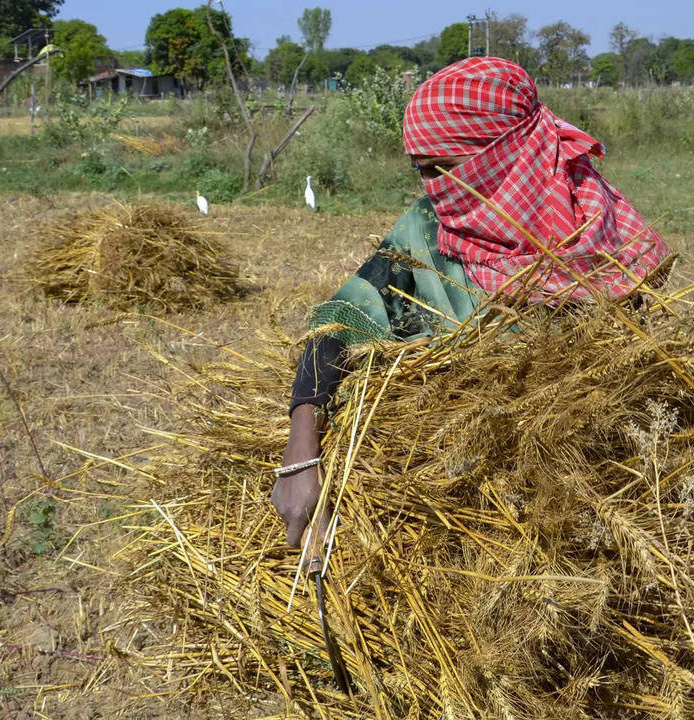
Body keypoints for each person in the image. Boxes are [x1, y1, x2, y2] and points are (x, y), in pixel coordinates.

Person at [271, 57, 671, 547]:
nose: (437, 189)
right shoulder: (427, 228)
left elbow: (628, 390)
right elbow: (341, 321)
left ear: (507, 154)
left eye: (447, 168)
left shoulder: (606, 243)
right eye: (423, 171)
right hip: (440, 489)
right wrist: (301, 454)